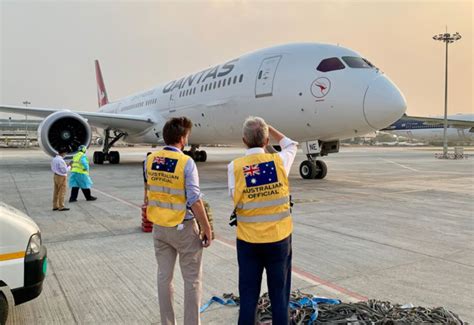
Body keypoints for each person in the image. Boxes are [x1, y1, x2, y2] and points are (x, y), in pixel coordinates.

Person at [227, 116, 298, 325]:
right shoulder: (280, 161)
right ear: (267, 141)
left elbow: (235, 197)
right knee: (279, 296)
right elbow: (290, 144)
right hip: (279, 240)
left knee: (248, 296)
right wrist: (269, 128)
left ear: (243, 140)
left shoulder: (235, 167)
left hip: (249, 242)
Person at [145, 117, 212, 325]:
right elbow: (194, 198)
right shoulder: (186, 162)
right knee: (192, 281)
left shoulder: (151, 159)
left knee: (164, 278)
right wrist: (206, 226)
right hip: (183, 228)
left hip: (159, 227)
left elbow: (149, 191)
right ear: (182, 139)